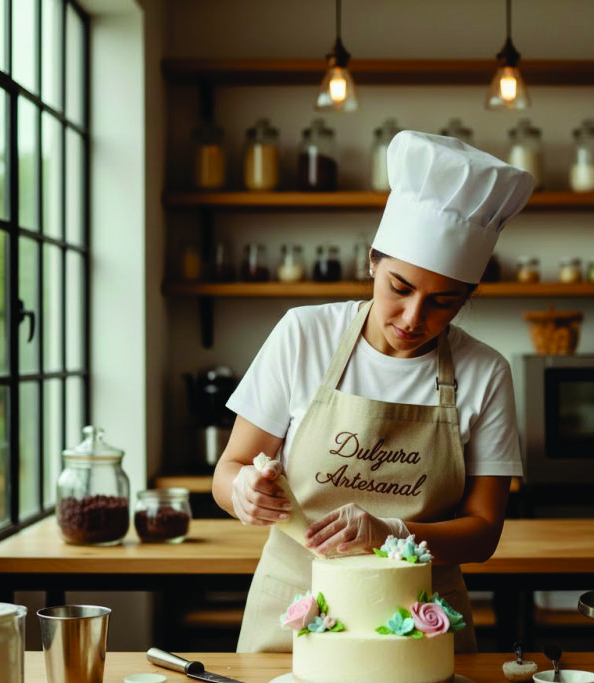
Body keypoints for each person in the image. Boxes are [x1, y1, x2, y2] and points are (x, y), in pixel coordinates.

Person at [213, 130, 535, 653]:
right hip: (295, 612)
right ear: (372, 263)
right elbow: (229, 470)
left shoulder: (485, 372)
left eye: (444, 302)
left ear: (468, 297)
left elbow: (483, 533)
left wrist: (389, 533)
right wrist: (244, 492)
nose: (413, 318)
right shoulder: (304, 334)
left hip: (419, 620)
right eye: (399, 288)